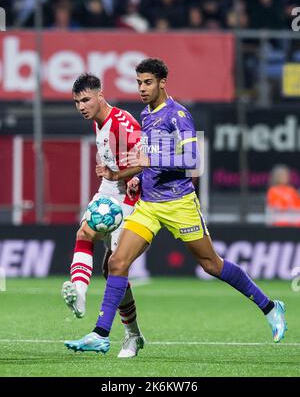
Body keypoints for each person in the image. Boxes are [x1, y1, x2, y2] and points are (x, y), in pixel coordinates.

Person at [64, 58, 287, 355]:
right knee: (117, 263)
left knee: (212, 265)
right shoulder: (145, 115)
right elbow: (147, 158)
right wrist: (127, 175)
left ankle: (271, 307)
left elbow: (193, 161)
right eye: (139, 82)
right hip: (149, 205)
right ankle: (101, 333)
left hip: (179, 202)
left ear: (162, 83)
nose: (142, 88)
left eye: (147, 82)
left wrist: (148, 162)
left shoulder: (178, 115)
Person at [61, 72, 145, 358]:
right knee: (83, 233)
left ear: (100, 95)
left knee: (113, 269)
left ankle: (131, 335)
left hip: (130, 198)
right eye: (76, 102)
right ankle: (80, 295)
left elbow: (144, 162)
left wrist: (131, 179)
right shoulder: (99, 122)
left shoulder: (123, 124)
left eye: (86, 99)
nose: (81, 106)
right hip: (109, 189)